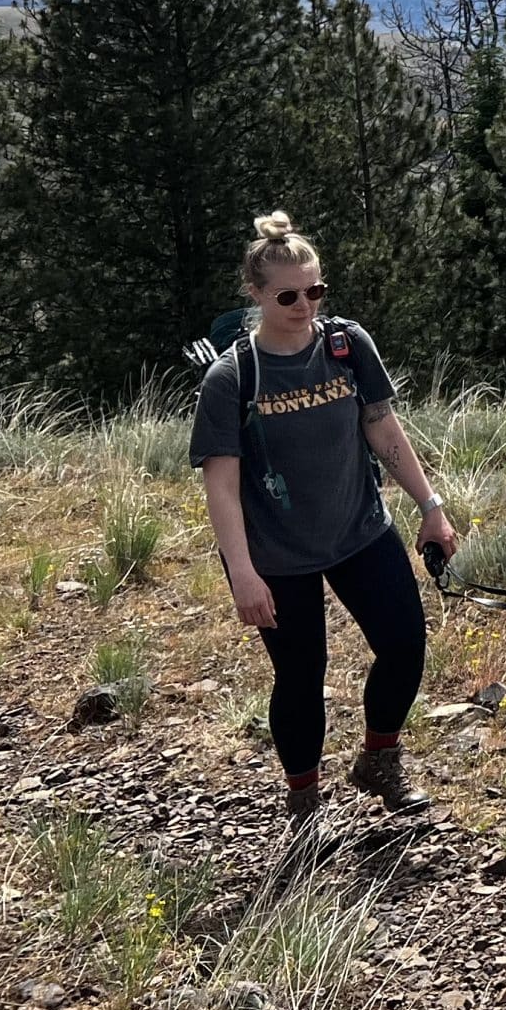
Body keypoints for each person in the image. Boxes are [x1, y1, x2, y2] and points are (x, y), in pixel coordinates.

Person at [192, 211, 457, 823]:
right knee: (301, 677)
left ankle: (379, 759)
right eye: (288, 295)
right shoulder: (232, 377)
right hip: (277, 556)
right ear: (255, 295)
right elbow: (222, 488)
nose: (304, 304)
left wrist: (430, 506)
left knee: (404, 643)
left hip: (360, 530)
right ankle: (305, 802)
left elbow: (381, 426)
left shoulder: (346, 345)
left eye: (315, 290)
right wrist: (243, 574)